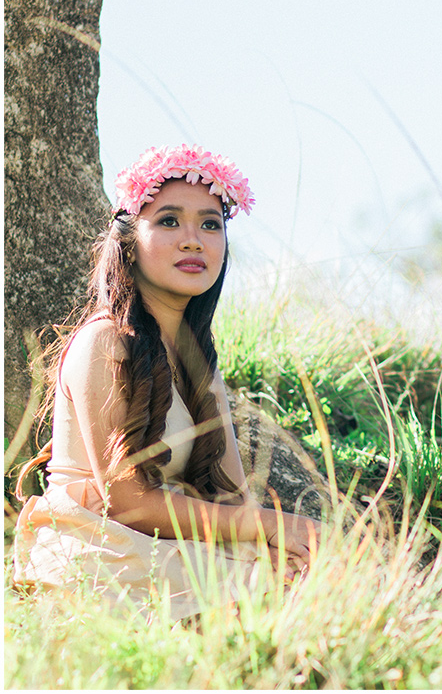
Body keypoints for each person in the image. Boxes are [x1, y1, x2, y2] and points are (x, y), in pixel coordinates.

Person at [13, 144, 322, 620]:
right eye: (170, 221)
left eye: (211, 224)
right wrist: (266, 525)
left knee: (318, 572)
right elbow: (128, 502)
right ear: (129, 242)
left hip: (174, 546)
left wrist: (274, 540)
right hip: (103, 551)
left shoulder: (199, 361)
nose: (194, 240)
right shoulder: (104, 342)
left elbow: (231, 495)